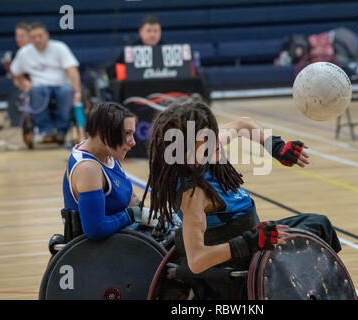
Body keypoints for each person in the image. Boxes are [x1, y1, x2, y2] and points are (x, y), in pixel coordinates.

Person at [141, 98, 342, 299]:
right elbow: (196, 260)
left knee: (319, 224)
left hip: (254, 241)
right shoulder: (193, 196)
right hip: (240, 260)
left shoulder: (207, 150)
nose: (216, 140)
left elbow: (244, 124)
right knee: (316, 227)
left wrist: (277, 147)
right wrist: (248, 242)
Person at [62, 102, 146, 240]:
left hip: (120, 238)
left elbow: (131, 201)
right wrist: (131, 215)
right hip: (100, 253)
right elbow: (95, 229)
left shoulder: (107, 153)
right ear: (104, 133)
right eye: (127, 134)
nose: (133, 142)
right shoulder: (88, 169)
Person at [10, 22, 82, 144]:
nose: (37, 39)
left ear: (47, 35)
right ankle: (45, 131)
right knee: (35, 91)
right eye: (33, 37)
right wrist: (24, 84)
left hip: (61, 85)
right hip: (39, 86)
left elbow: (72, 71)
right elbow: (15, 73)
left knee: (66, 92)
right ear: (30, 39)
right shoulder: (24, 53)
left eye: (40, 36)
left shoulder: (60, 47)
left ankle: (61, 130)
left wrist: (77, 91)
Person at [1, 22, 30, 127]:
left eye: (22, 36)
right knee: (15, 95)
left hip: (41, 84)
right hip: (23, 86)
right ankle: (17, 124)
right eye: (17, 36)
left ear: (29, 36)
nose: (18, 39)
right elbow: (15, 78)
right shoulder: (15, 54)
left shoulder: (38, 51)